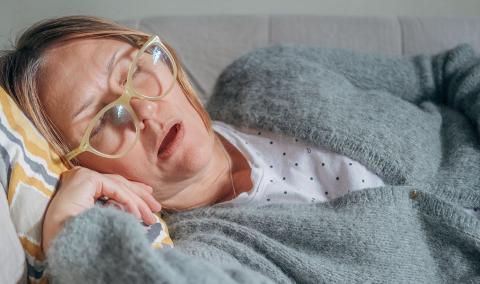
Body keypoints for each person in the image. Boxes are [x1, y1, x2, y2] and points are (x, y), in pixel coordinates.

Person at [1, 15, 479, 283]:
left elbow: (447, 71)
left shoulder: (266, 72)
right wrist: (69, 230)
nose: (143, 110)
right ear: (79, 163)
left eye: (132, 71)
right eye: (105, 118)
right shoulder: (209, 253)